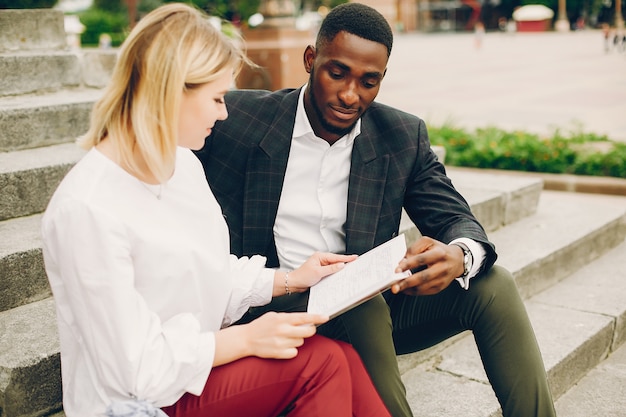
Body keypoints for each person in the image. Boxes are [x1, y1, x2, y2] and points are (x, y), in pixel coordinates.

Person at [195, 3, 556, 417]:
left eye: (369, 82)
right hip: (273, 306)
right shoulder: (235, 119)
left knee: (494, 285)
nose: (351, 95)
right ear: (311, 60)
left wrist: (460, 255)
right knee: (360, 300)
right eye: (337, 73)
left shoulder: (401, 136)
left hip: (371, 312)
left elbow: (456, 218)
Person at [40, 4, 393, 417]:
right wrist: (246, 340)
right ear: (170, 91)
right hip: (141, 400)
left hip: (196, 368)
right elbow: (136, 371)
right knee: (321, 363)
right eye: (217, 98)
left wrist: (292, 279)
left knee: (345, 358)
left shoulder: (181, 164)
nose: (224, 112)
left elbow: (209, 272)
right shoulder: (86, 210)